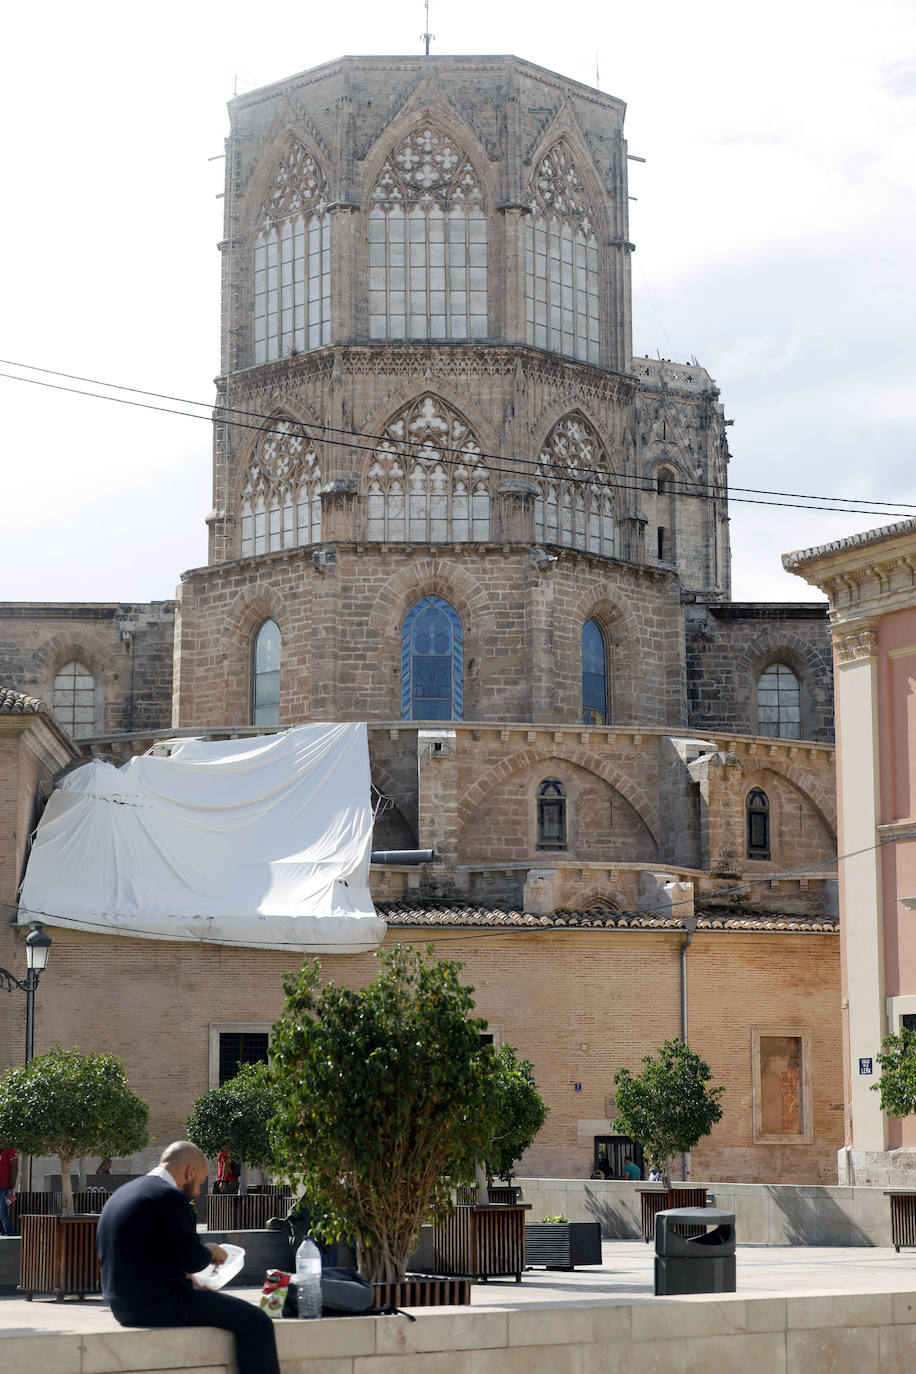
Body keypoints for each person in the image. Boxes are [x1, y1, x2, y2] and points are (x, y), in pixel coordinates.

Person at [97, 1140, 279, 1374]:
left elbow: (151, 1252)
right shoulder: (168, 1196)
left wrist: (184, 1277)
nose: (197, 1190)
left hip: (121, 1306)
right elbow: (193, 1258)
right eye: (201, 1181)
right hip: (159, 1305)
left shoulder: (124, 1193)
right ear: (190, 1171)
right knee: (258, 1323)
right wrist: (212, 1250)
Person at [0, 1145, 17, 1236]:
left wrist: (11, 1187)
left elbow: (15, 1168)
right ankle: (1, 1233)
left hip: (4, 1187)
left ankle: (9, 1234)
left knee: (2, 1211)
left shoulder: (10, 1149)